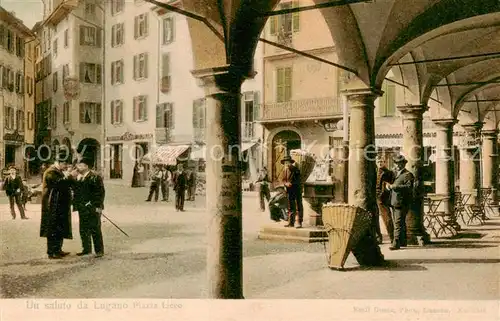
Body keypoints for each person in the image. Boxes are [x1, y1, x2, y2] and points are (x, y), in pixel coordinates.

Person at [40, 151, 73, 259]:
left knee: (60, 227)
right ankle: (51, 252)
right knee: (52, 228)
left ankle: (58, 249)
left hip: (59, 205)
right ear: (60, 162)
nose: (66, 166)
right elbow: (58, 184)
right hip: (52, 205)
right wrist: (68, 176)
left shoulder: (58, 171)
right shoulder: (50, 172)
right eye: (65, 164)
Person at [72, 157, 106, 257]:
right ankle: (86, 249)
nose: (78, 167)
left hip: (92, 207)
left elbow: (100, 193)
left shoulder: (95, 177)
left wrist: (96, 206)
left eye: (80, 165)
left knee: (95, 229)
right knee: (83, 229)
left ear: (86, 166)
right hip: (82, 208)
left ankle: (99, 250)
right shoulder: (79, 177)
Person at [387, 154, 414, 250]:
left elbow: (409, 187)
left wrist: (394, 187)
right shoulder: (396, 174)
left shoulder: (408, 175)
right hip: (395, 201)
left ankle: (396, 243)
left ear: (404, 164)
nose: (398, 165)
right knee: (400, 222)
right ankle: (403, 242)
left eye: (400, 164)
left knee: (398, 223)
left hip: (402, 202)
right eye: (396, 163)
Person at [375, 156, 395, 244]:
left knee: (387, 218)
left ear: (385, 162)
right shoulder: (374, 172)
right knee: (374, 218)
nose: (380, 163)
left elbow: (392, 184)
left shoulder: (389, 173)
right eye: (378, 161)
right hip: (374, 197)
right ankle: (378, 237)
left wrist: (387, 188)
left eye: (382, 161)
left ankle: (392, 237)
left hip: (384, 198)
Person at [282, 155, 304, 228]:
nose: (287, 164)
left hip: (297, 189)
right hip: (289, 191)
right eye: (285, 163)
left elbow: (299, 180)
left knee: (298, 206)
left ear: (291, 163)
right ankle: (291, 223)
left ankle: (299, 222)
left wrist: (291, 184)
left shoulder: (296, 170)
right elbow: (283, 180)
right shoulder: (285, 170)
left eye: (288, 162)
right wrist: (286, 183)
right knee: (291, 206)